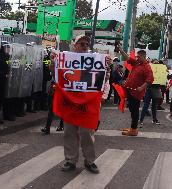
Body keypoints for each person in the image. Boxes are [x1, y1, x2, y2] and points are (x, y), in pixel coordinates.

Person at [61, 35, 104, 174]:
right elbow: (58, 76)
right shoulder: (66, 59)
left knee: (87, 133)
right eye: (81, 43)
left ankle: (89, 161)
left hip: (87, 104)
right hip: (70, 102)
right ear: (75, 45)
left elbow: (101, 80)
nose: (84, 45)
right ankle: (70, 160)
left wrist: (106, 66)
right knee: (69, 132)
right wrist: (52, 66)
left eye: (86, 43)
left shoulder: (96, 60)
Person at [118, 47, 154, 136]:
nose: (137, 58)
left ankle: (134, 129)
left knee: (134, 110)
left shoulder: (147, 67)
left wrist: (141, 88)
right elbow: (128, 59)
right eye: (137, 57)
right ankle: (132, 127)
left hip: (136, 93)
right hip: (130, 90)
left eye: (138, 57)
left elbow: (150, 79)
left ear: (143, 57)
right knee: (131, 108)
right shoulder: (137, 63)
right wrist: (122, 51)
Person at [0, 41, 11, 124]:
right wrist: (4, 75)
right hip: (0, 80)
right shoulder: (0, 57)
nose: (7, 50)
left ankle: (2, 114)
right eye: (6, 48)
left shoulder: (8, 57)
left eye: (8, 48)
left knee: (2, 98)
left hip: (5, 81)